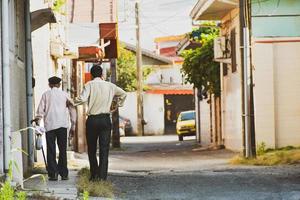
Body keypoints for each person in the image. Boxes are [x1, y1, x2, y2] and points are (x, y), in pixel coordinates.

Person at [75, 64, 126, 181]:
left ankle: (94, 175)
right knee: (104, 150)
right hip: (105, 120)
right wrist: (118, 105)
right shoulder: (110, 86)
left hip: (92, 121)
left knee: (92, 149)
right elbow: (124, 94)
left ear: (91, 75)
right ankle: (102, 178)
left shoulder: (89, 85)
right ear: (102, 74)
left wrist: (73, 102)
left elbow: (82, 99)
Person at [33, 76, 76, 181]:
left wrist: (38, 121)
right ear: (59, 84)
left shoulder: (46, 95)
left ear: (49, 84)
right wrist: (73, 124)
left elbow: (40, 111)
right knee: (62, 150)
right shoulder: (65, 95)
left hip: (50, 126)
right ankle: (64, 174)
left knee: (51, 149)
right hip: (62, 125)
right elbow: (72, 108)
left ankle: (53, 174)